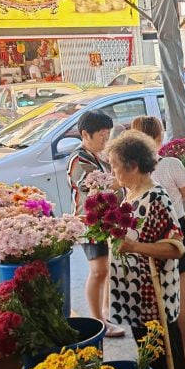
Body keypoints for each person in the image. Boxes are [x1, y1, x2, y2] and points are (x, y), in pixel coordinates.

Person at [106, 131, 185, 369]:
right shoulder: (131, 195)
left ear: (132, 165)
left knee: (166, 368)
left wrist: (134, 247)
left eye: (115, 165)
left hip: (155, 301)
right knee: (151, 362)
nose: (113, 171)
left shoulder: (156, 198)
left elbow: (175, 247)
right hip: (136, 300)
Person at [130, 116, 185, 367]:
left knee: (156, 295)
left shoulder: (131, 169)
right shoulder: (171, 164)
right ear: (159, 137)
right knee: (182, 295)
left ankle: (163, 357)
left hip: (144, 235)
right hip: (174, 233)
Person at [67, 110, 126, 338]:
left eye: (108, 134)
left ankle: (104, 314)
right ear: (85, 134)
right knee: (98, 270)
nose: (106, 139)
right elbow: (93, 185)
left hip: (105, 221)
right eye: (102, 134)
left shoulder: (98, 156)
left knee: (106, 269)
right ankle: (98, 322)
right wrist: (125, 176)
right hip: (89, 222)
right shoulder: (78, 159)